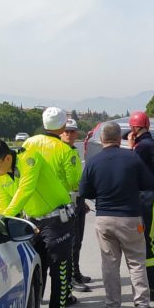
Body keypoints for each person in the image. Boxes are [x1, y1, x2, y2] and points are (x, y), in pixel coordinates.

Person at [0, 138, 74, 308]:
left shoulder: (29, 158)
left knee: (59, 269)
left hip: (57, 219)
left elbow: (25, 190)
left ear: (7, 158)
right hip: (33, 222)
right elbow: (3, 203)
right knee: (36, 268)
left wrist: (5, 217)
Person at [79, 122, 154, 308]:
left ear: (103, 139)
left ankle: (113, 305)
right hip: (130, 217)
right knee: (137, 261)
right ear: (120, 138)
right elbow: (148, 184)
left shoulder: (93, 162)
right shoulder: (132, 158)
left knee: (110, 263)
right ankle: (142, 305)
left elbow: (84, 191)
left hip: (104, 218)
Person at [23, 108, 88, 297]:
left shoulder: (28, 143)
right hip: (59, 211)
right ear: (62, 127)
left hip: (32, 210)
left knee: (39, 260)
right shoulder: (65, 149)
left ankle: (36, 303)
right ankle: (64, 296)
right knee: (62, 260)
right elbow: (74, 182)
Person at [127, 111, 154, 301]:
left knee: (149, 242)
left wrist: (130, 147)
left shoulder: (140, 147)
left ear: (135, 128)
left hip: (148, 198)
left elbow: (131, 166)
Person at [61, 119, 93, 289]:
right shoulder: (60, 151)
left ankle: (76, 273)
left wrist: (83, 200)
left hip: (77, 200)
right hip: (66, 202)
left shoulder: (73, 150)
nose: (69, 134)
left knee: (78, 240)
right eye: (66, 131)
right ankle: (71, 278)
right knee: (72, 241)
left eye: (72, 131)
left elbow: (77, 180)